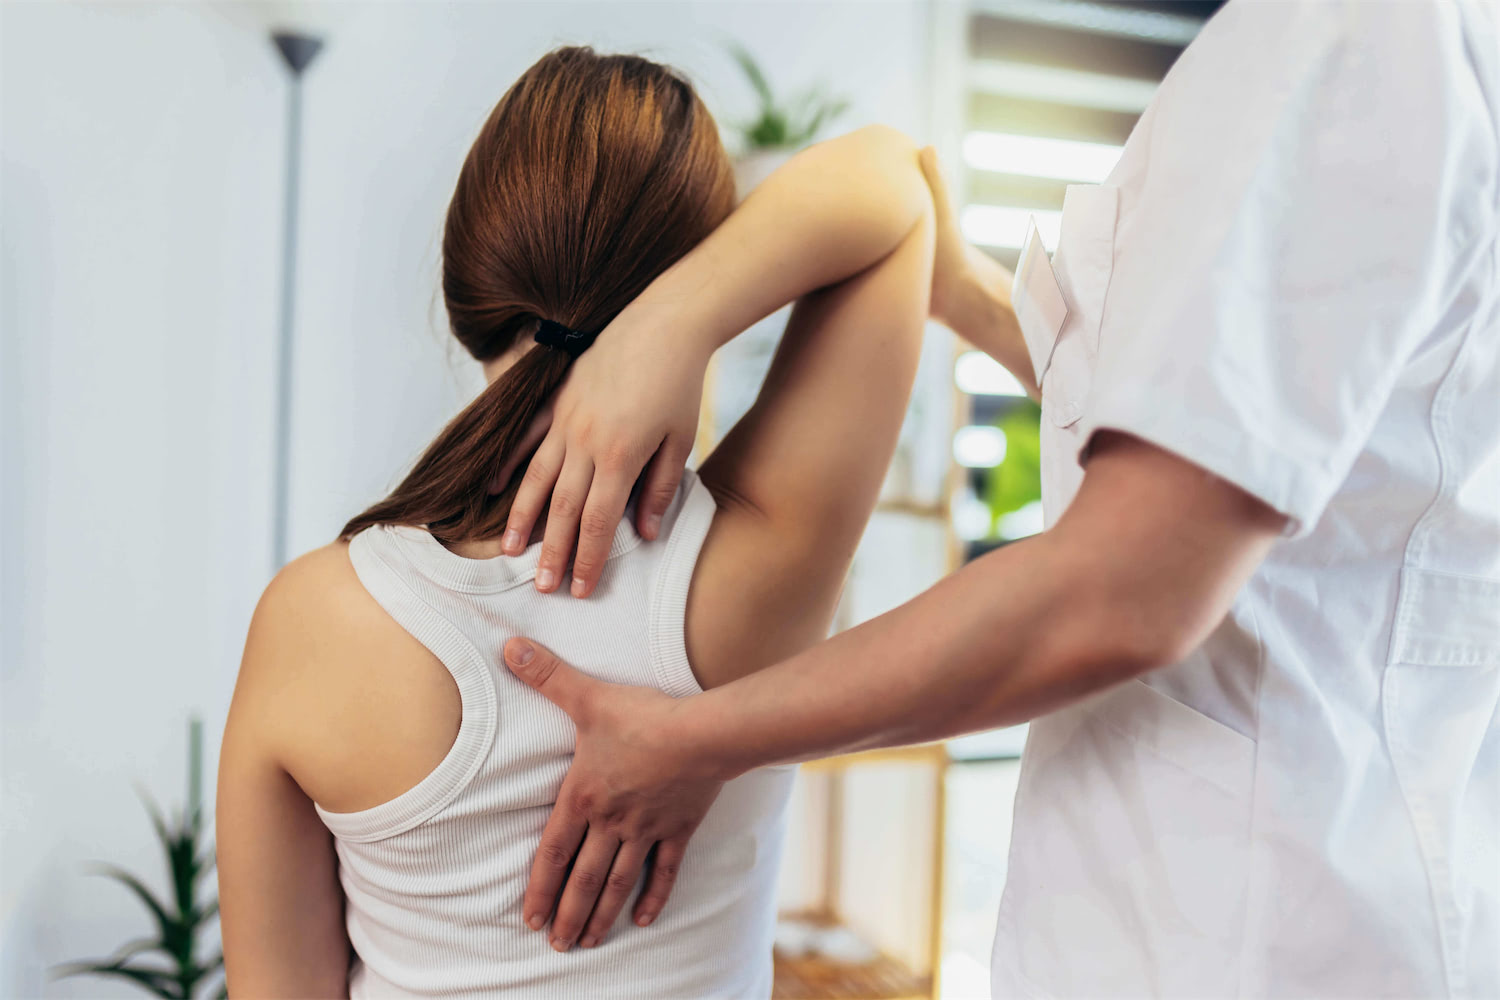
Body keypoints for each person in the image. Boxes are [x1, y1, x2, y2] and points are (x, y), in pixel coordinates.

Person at [496, 3, 1500, 996]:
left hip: (1271, 930)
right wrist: (958, 294)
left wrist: (687, 740)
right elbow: (1217, 411)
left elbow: (1126, 586)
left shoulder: (1356, 32)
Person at [216, 47, 941, 997]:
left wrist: (659, 320)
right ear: (704, 266)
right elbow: (894, 182)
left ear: (467, 289)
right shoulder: (750, 553)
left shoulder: (313, 618)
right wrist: (681, 319)